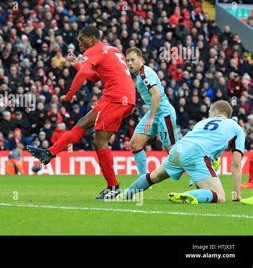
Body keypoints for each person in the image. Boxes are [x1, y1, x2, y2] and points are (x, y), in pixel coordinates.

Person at [27, 25, 136, 199]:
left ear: (92, 39)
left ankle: (113, 187)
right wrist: (76, 64)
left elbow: (86, 73)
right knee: (83, 123)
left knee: (99, 142)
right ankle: (49, 153)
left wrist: (69, 96)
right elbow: (95, 77)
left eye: (82, 39)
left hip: (116, 97)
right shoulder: (112, 50)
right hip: (118, 96)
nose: (79, 44)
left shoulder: (95, 49)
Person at [122, 101, 245, 204]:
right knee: (219, 196)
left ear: (215, 111)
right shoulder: (236, 128)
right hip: (197, 153)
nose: (209, 115)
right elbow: (236, 163)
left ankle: (125, 194)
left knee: (154, 176)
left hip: (179, 147)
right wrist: (236, 194)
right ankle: (185, 195)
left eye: (209, 112)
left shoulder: (201, 123)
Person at [125, 47, 178, 174]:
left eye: (132, 60)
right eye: (127, 61)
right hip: (153, 112)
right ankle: (144, 179)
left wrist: (150, 118)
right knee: (135, 144)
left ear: (141, 59)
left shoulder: (144, 74)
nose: (130, 63)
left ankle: (200, 168)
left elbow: (157, 95)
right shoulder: (140, 75)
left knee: (172, 151)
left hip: (164, 113)